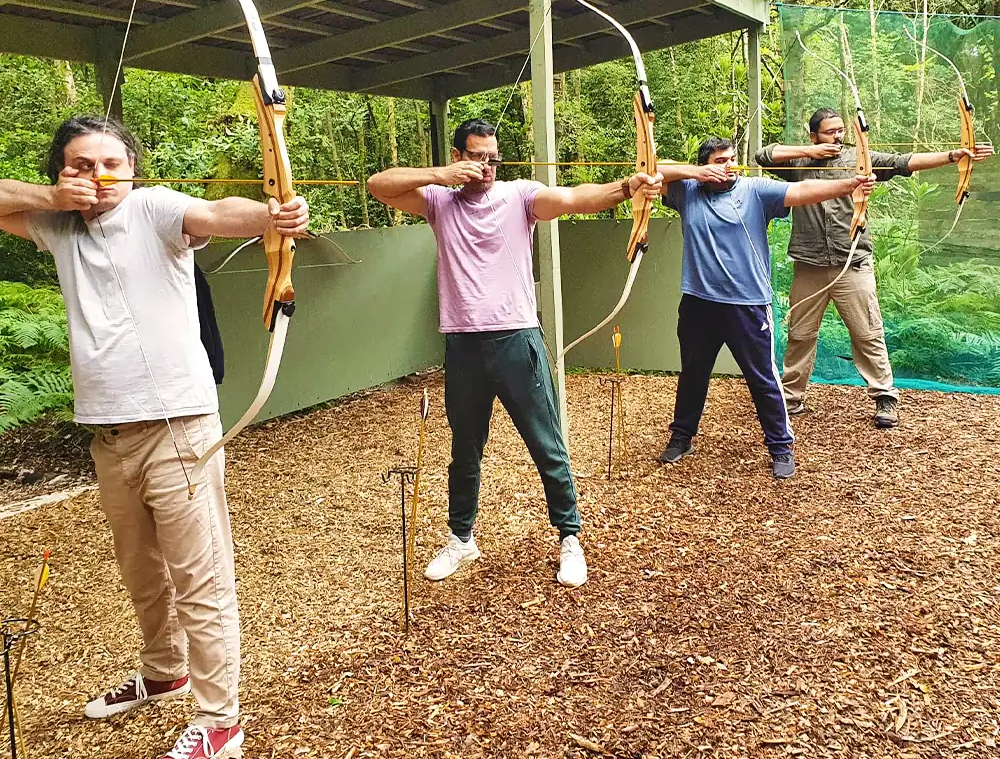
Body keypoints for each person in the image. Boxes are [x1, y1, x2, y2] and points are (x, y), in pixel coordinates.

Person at [0, 115, 309, 759]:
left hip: (179, 425)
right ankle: (164, 669)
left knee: (200, 576)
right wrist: (51, 199)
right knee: (141, 569)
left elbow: (216, 213)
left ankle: (221, 721)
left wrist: (273, 215)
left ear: (132, 169)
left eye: (110, 164)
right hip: (107, 431)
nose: (97, 177)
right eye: (80, 165)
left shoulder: (153, 209)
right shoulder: (57, 226)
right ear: (60, 173)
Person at [367, 118, 661, 588]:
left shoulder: (519, 195)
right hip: (462, 343)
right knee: (465, 450)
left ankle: (569, 537)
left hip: (516, 339)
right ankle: (462, 539)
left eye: (492, 157)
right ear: (459, 155)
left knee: (546, 444)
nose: (486, 166)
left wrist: (627, 187)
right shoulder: (437, 201)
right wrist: (440, 175)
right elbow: (378, 185)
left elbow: (573, 198)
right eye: (476, 156)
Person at [655, 136, 876, 479]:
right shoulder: (687, 192)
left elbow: (803, 193)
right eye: (719, 160)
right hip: (698, 302)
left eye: (731, 158)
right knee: (693, 374)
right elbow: (653, 170)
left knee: (762, 379)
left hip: (747, 305)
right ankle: (682, 437)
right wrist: (698, 174)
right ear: (704, 164)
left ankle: (781, 447)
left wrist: (851, 183)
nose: (728, 165)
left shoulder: (755, 190)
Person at [756, 108, 992, 428]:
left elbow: (903, 162)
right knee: (800, 333)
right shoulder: (799, 163)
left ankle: (884, 396)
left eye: (841, 130)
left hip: (852, 262)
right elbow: (763, 156)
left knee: (868, 332)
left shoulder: (860, 157)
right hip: (809, 264)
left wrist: (953, 155)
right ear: (814, 136)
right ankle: (792, 398)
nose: (838, 136)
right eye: (830, 132)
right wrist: (811, 152)